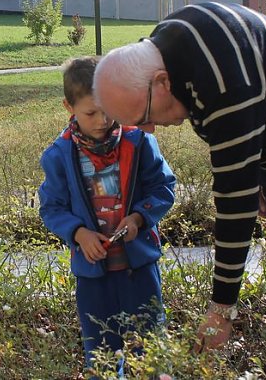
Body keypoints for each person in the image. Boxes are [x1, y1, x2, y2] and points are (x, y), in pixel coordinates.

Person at [93, 1, 266, 351]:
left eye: (145, 116)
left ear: (162, 82)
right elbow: (236, 156)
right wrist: (250, 170)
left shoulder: (223, 83)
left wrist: (221, 309)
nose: (150, 130)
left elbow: (233, 204)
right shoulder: (166, 50)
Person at [38, 56, 176, 367]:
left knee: (150, 351)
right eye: (90, 113)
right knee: (100, 355)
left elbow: (163, 187)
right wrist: (78, 232)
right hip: (93, 276)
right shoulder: (59, 155)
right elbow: (51, 206)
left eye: (108, 110)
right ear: (68, 107)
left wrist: (140, 217)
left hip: (139, 269)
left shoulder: (138, 141)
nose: (102, 120)